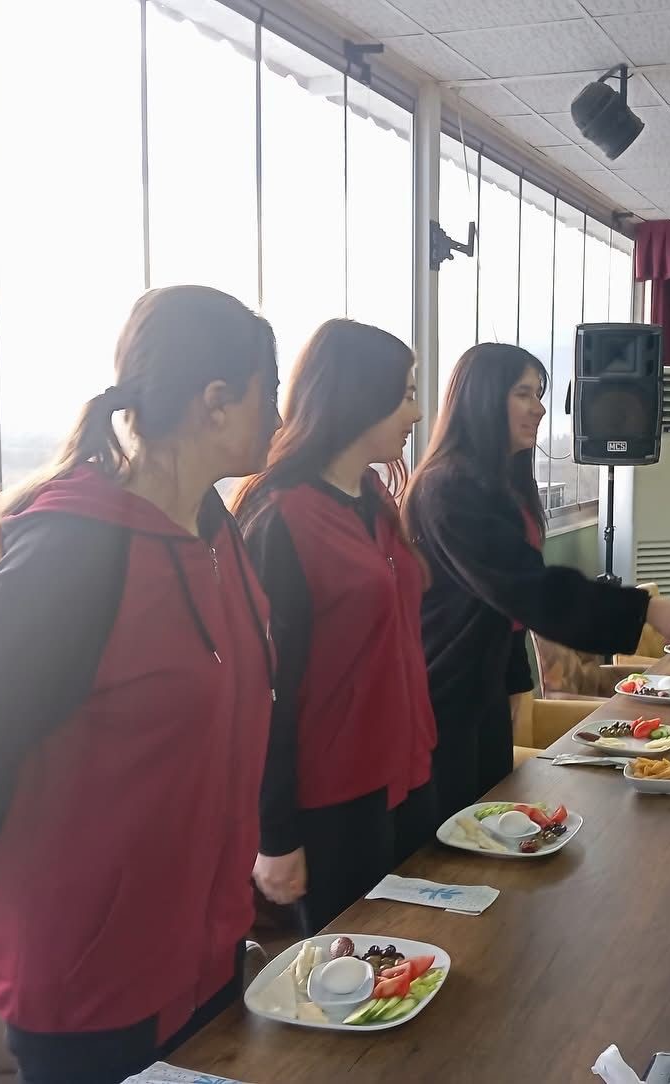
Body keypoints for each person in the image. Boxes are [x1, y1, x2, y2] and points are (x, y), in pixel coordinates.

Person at [0, 285, 281, 1084]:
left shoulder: (221, 539)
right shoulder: (72, 556)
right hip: (91, 988)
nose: (280, 420)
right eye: (269, 395)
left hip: (206, 956)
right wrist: (25, 915)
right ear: (215, 402)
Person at [402, 343, 670, 818]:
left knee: (494, 823)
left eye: (539, 393)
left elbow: (506, 606)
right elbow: (527, 588)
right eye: (523, 393)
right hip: (447, 690)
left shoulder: (506, 480)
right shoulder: (450, 485)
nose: (539, 408)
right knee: (456, 837)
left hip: (488, 683)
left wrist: (516, 681)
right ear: (482, 398)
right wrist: (645, 609)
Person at [234, 319, 437, 933]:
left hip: (404, 773)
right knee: (345, 981)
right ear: (359, 397)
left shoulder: (374, 498)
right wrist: (276, 835)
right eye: (404, 394)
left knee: (411, 959)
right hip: (333, 799)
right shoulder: (282, 519)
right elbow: (264, 692)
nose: (414, 413)